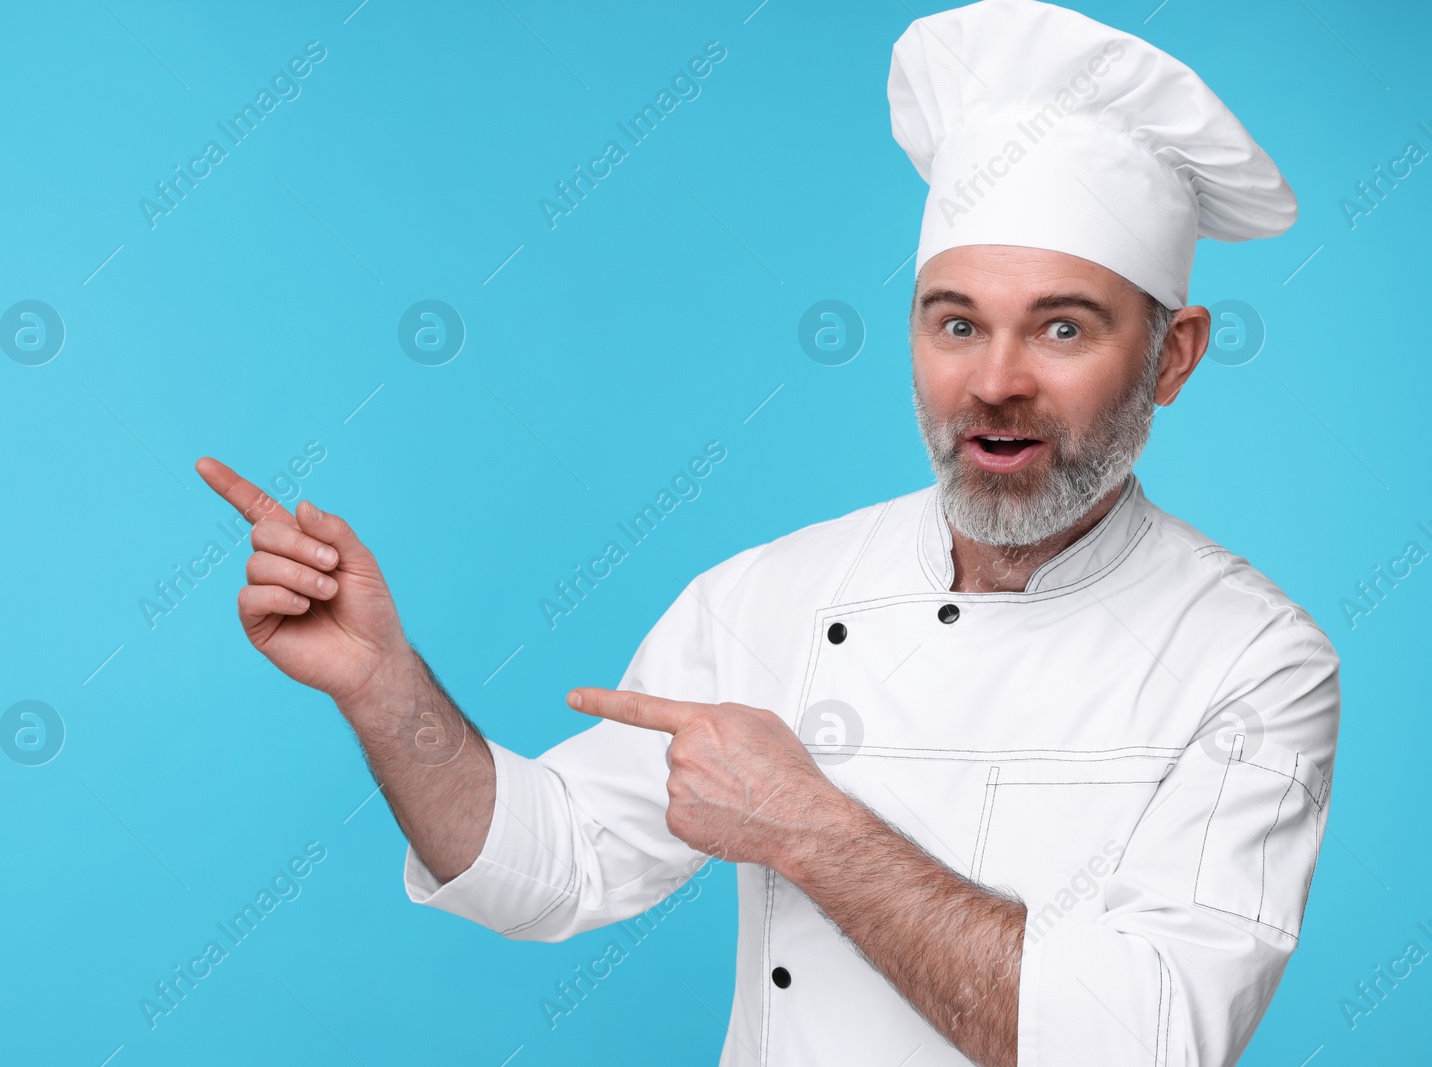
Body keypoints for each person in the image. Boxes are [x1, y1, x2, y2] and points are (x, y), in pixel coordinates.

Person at [197, 1, 1339, 1063]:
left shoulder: (1250, 661)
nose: (994, 381)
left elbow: (1136, 1041)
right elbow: (551, 869)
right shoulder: (768, 598)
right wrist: (385, 690)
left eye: (1060, 327)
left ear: (1172, 355)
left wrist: (810, 827)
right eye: (956, 322)